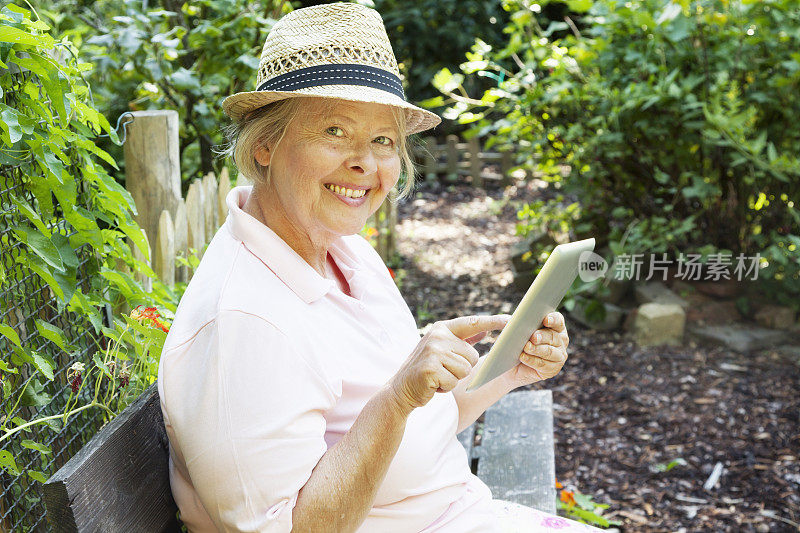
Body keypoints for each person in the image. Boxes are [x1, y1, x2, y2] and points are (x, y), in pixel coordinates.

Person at [157, 3, 601, 532]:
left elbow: (420, 433)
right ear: (265, 145)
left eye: (383, 140)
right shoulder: (245, 321)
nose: (365, 162)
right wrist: (396, 397)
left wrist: (510, 371)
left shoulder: (348, 254)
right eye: (335, 131)